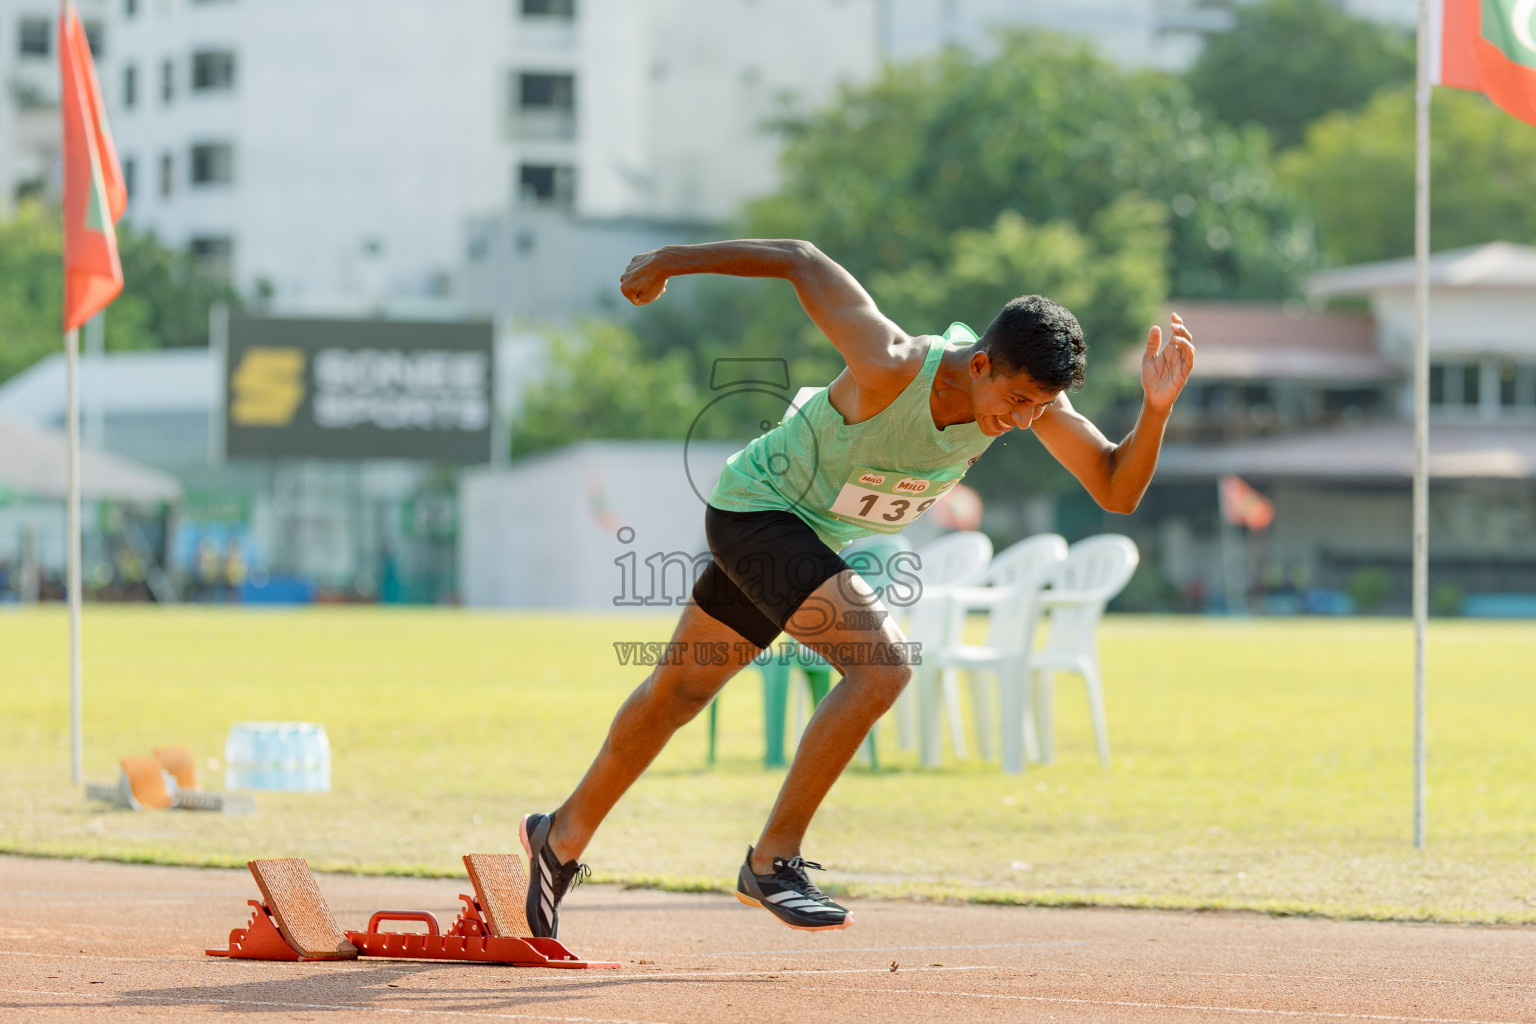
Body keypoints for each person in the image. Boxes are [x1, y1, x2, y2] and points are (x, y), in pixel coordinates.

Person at [520, 239, 1195, 936]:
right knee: (883, 667)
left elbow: (1116, 488)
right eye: (1017, 400)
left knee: (677, 695)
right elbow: (802, 260)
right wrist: (669, 261)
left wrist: (1157, 409)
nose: (1023, 420)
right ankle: (773, 859)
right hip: (758, 511)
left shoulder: (1023, 401)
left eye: (1038, 406)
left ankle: (557, 840)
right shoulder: (892, 364)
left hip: (804, 536)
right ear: (982, 365)